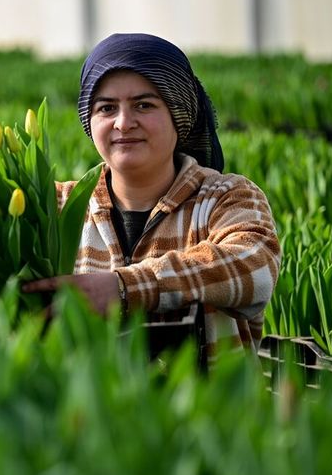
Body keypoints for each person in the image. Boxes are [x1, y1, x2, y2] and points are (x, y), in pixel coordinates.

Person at [22, 33, 281, 354]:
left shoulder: (226, 197)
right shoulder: (55, 206)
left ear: (179, 114)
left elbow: (255, 269)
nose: (123, 122)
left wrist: (124, 289)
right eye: (106, 108)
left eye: (144, 105)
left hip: (209, 401)